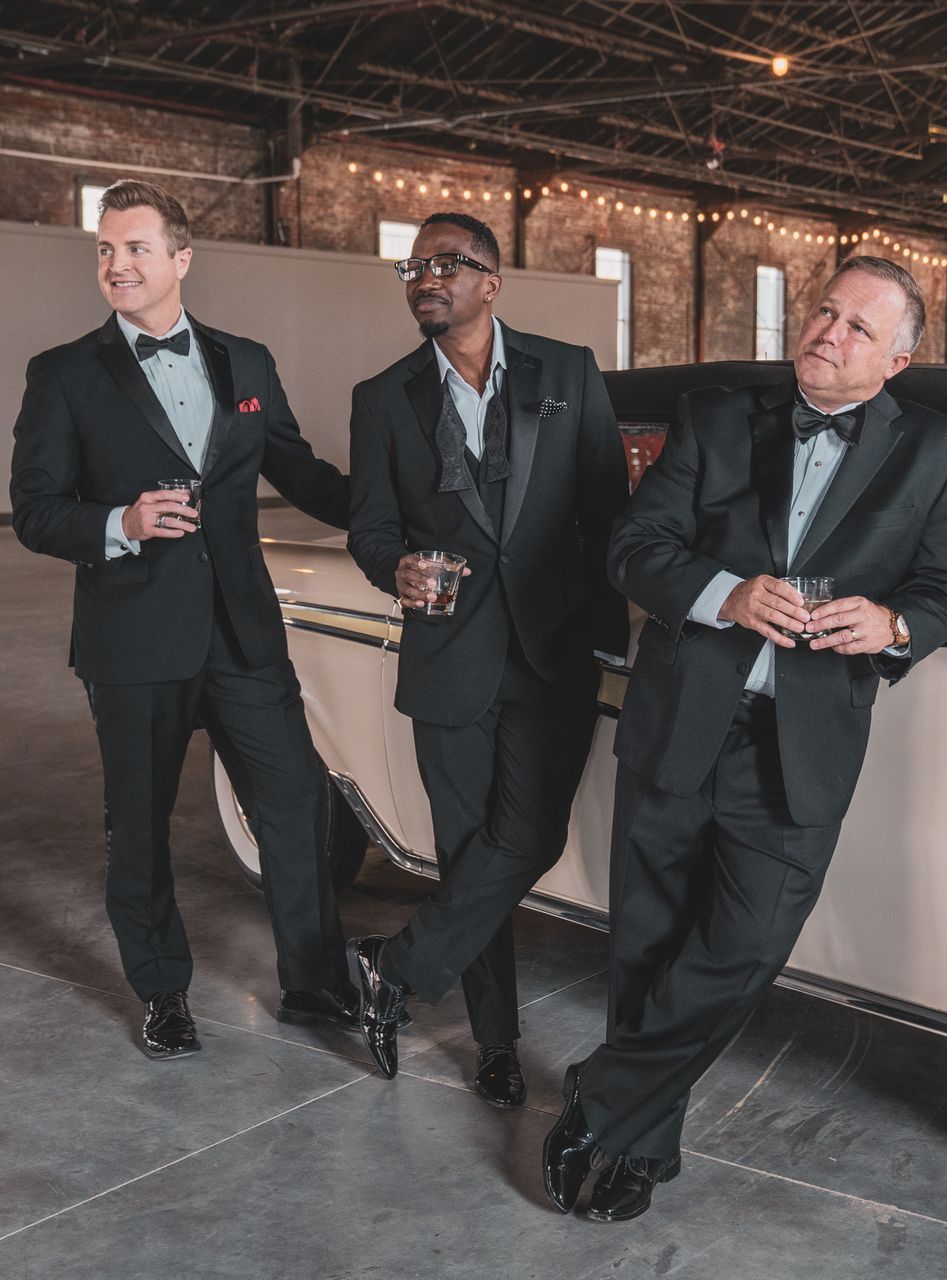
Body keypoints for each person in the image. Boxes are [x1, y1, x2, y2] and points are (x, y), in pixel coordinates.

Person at [542, 255, 947, 1219]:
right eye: (825, 311)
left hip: (803, 746)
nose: (828, 332)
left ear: (897, 361)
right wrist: (723, 594)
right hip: (683, 720)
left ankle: (605, 1094)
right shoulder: (716, 415)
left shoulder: (939, 451)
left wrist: (895, 627)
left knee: (738, 954)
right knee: (648, 945)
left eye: (859, 327)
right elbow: (633, 548)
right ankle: (640, 1142)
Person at [10, 179, 356, 1059]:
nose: (116, 265)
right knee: (140, 824)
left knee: (293, 804)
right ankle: (163, 992)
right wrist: (120, 524)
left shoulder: (246, 362)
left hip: (243, 632)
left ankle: (314, 983)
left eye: (134, 249)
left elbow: (302, 473)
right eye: (104, 250)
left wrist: (400, 512)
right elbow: (35, 510)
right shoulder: (63, 374)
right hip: (133, 639)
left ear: (181, 259)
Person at [346, 211, 628, 1106]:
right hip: (449, 657)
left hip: (551, 652)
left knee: (529, 838)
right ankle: (496, 1045)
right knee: (469, 856)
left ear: (492, 282)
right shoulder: (382, 397)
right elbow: (372, 530)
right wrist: (395, 568)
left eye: (447, 263)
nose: (426, 277)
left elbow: (608, 512)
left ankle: (393, 967)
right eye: (414, 265)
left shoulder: (568, 371)